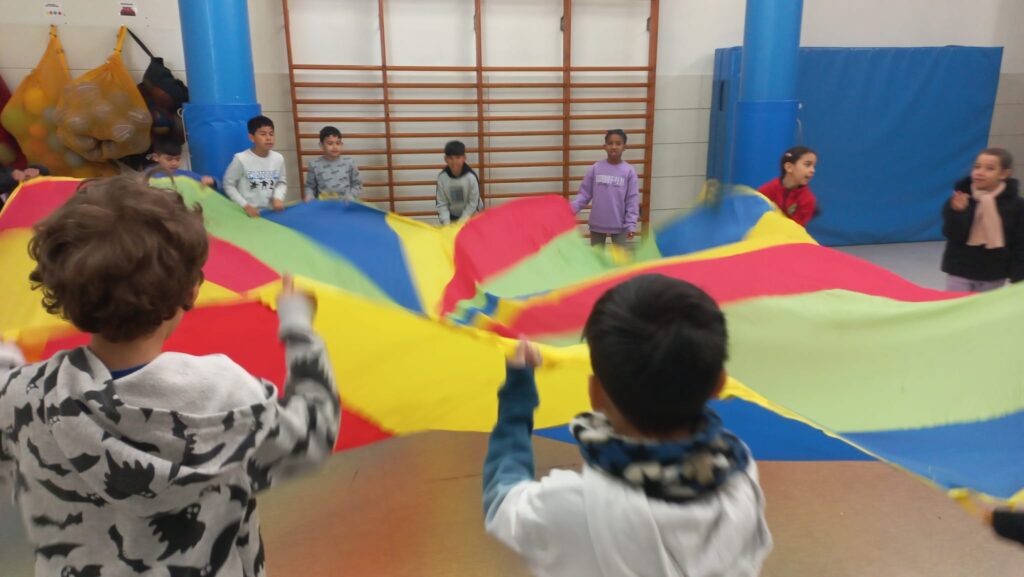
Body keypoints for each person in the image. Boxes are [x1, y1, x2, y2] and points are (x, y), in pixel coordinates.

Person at [0, 175, 340, 576]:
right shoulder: (226, 396)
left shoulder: (20, 396)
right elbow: (312, 434)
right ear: (192, 290)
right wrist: (298, 327)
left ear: (60, 292)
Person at [482, 274, 772, 577]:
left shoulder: (567, 506)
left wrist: (517, 396)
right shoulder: (740, 479)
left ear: (595, 394)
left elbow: (501, 499)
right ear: (719, 383)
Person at [941, 147, 1024, 292]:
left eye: (989, 168)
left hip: (994, 273)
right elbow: (952, 234)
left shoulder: (1016, 206)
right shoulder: (960, 198)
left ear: (1004, 174)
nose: (980, 172)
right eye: (977, 167)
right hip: (960, 270)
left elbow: (1020, 243)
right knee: (957, 305)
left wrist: (1018, 277)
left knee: (986, 307)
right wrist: (958, 213)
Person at [570, 129, 640, 247]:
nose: (614, 147)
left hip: (620, 225)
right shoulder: (596, 168)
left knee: (620, 257)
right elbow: (584, 194)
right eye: (610, 143)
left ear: (624, 147)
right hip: (597, 224)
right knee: (597, 257)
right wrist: (570, 209)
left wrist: (631, 224)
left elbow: (632, 200)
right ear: (605, 146)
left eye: (618, 143)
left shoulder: (629, 171)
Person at [223, 115, 288, 218]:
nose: (268, 138)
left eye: (271, 134)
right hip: (245, 213)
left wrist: (278, 197)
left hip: (269, 213)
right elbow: (228, 185)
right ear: (251, 137)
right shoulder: (241, 158)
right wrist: (245, 206)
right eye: (263, 134)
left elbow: (281, 183)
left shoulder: (278, 158)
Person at [757, 146, 818, 227]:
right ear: (789, 167)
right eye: (807, 165)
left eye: (814, 166)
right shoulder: (767, 190)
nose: (812, 170)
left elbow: (795, 228)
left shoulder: (808, 199)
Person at [303, 126, 362, 202]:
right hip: (323, 205)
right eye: (330, 143)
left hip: (346, 205)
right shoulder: (314, 165)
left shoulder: (349, 162)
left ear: (341, 144)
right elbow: (310, 187)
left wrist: (351, 196)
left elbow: (357, 184)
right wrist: (309, 195)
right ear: (321, 145)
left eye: (338, 143)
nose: (335, 147)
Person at [436, 140, 483, 225]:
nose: (454, 162)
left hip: (472, 214)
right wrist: (446, 223)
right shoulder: (442, 178)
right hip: (452, 217)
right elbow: (442, 203)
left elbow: (473, 203)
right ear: (445, 159)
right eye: (451, 158)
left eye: (458, 158)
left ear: (464, 158)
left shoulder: (471, 177)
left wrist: (461, 222)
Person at [148, 139, 217, 188]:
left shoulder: (186, 175)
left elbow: (212, 181)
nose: (174, 163)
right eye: (169, 159)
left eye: (178, 159)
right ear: (156, 157)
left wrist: (212, 181)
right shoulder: (148, 175)